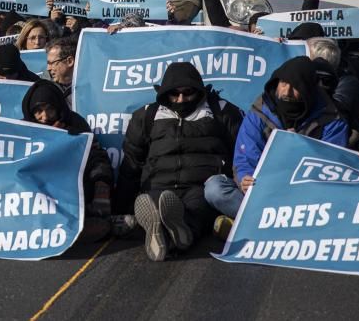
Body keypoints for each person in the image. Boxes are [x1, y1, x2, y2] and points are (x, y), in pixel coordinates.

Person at [116, 63, 243, 261]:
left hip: (200, 186)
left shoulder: (222, 112)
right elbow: (131, 163)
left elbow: (242, 154)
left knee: (196, 210)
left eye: (188, 93)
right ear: (164, 93)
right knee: (155, 204)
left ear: (199, 91)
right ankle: (169, 234)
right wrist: (119, 208)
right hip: (159, 185)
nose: (181, 99)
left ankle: (177, 234)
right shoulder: (146, 116)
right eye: (175, 94)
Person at [204, 57, 348, 229]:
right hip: (263, 194)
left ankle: (248, 226)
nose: (286, 92)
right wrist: (245, 179)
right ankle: (265, 225)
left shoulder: (331, 120)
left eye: (295, 87)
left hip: (305, 200)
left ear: (309, 90)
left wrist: (299, 149)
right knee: (215, 188)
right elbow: (245, 158)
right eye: (284, 83)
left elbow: (331, 170)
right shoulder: (260, 111)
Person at [21, 79, 114, 215]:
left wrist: (101, 190)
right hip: (34, 196)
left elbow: (97, 158)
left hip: (72, 193)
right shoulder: (22, 131)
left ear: (58, 108)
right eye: (39, 111)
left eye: (50, 109)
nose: (45, 116)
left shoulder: (75, 124)